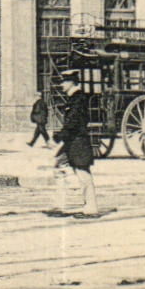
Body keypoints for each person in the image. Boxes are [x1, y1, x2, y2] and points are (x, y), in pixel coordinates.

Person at [51, 69, 99, 217]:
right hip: (71, 141)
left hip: (78, 141)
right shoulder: (73, 98)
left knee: (83, 173)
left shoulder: (79, 99)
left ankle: (91, 209)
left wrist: (60, 135)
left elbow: (74, 121)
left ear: (72, 82)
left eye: (64, 81)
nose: (62, 85)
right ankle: (59, 206)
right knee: (59, 167)